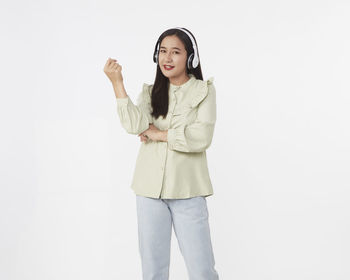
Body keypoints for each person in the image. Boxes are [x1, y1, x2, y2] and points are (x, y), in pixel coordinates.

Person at [103, 27, 219, 280]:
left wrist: (159, 134)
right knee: (153, 271)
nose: (167, 58)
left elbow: (201, 137)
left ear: (190, 58)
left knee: (202, 271)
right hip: (148, 191)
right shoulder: (150, 92)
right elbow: (134, 126)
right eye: (163, 52)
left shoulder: (204, 91)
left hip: (188, 191)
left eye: (175, 52)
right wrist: (117, 84)